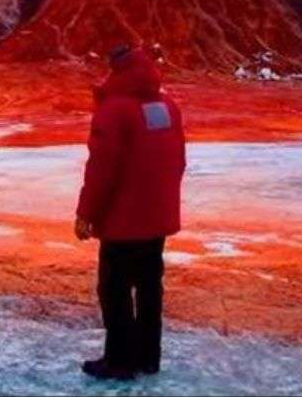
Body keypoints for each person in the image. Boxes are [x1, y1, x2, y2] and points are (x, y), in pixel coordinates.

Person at [74, 44, 187, 380]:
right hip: (157, 220)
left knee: (114, 290)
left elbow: (102, 170)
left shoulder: (114, 110)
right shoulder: (168, 106)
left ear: (116, 70)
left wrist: (86, 213)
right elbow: (178, 161)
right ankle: (148, 358)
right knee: (151, 288)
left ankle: (120, 360)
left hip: (124, 223)